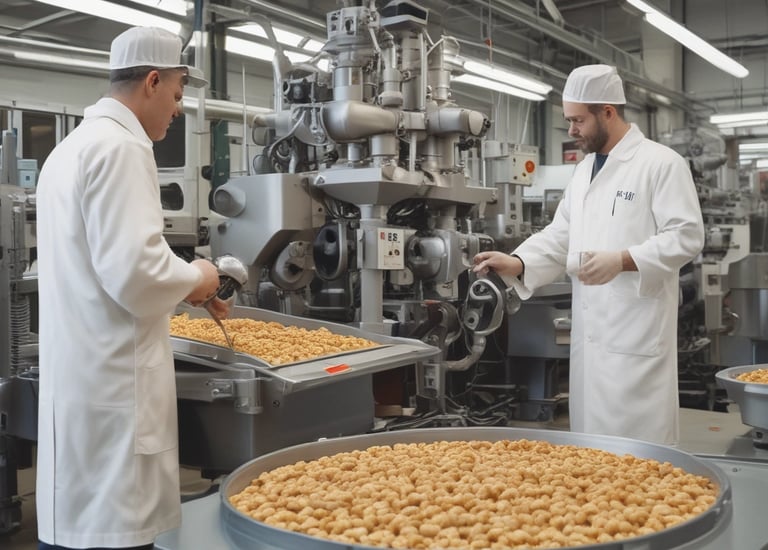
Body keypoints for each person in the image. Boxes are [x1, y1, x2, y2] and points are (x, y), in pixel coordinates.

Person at [35, 27, 226, 549]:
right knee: (112, 533)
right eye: (178, 95)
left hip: (82, 380)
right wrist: (202, 277)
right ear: (153, 80)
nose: (178, 109)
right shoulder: (123, 149)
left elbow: (111, 257)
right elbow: (137, 276)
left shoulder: (69, 149)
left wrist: (186, 282)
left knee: (76, 526)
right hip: (114, 389)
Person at [473, 64, 704, 446]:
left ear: (607, 112)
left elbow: (687, 236)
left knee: (642, 456)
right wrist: (519, 261)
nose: (571, 131)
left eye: (578, 120)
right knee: (593, 456)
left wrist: (624, 259)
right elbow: (562, 234)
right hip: (591, 340)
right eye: (568, 120)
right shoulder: (583, 172)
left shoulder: (661, 164)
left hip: (635, 335)